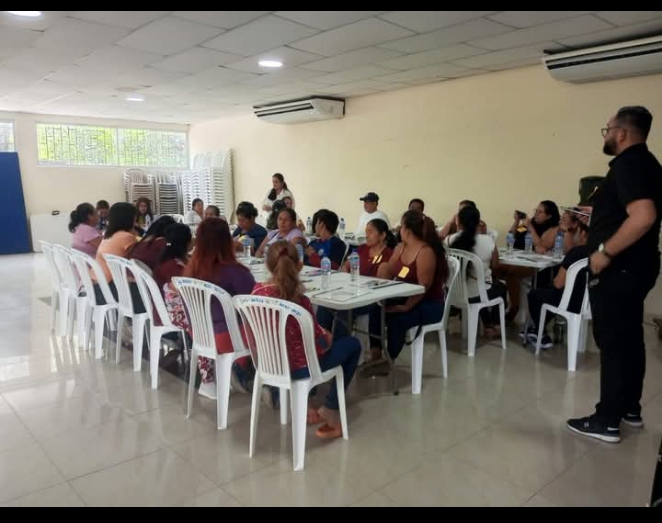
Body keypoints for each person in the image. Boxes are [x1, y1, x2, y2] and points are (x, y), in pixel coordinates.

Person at [567, 106, 662, 444]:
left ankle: (606, 419)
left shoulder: (627, 164)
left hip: (619, 267)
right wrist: (599, 212)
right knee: (630, 338)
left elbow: (643, 216)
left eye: (607, 129)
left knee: (613, 342)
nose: (606, 135)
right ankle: (629, 409)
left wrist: (604, 252)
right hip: (639, 265)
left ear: (621, 133)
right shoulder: (648, 164)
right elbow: (634, 211)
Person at [251, 241, 362, 439]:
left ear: (267, 265)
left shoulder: (255, 293)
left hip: (269, 364)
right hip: (299, 368)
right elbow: (320, 345)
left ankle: (308, 404)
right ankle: (331, 408)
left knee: (309, 347)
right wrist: (327, 337)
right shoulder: (300, 301)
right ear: (299, 266)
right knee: (353, 345)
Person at [182, 217, 257, 399]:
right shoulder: (234, 271)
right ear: (227, 241)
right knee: (273, 325)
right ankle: (257, 375)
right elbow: (254, 303)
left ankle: (240, 367)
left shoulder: (191, 270)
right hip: (227, 338)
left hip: (199, 334)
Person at [365, 212, 447, 374]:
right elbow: (390, 270)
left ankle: (389, 359)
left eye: (401, 226)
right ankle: (376, 353)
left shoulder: (425, 252)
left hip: (429, 303)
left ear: (408, 230)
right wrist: (382, 269)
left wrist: (406, 306)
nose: (399, 230)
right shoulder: (401, 248)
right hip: (406, 297)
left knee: (398, 320)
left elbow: (424, 287)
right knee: (376, 309)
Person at [317, 218, 396, 362]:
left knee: (344, 309)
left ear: (383, 235)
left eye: (370, 232)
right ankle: (320, 345)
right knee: (325, 304)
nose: (366, 235)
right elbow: (346, 266)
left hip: (371, 298)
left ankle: (339, 353)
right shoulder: (362, 249)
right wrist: (344, 275)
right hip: (352, 291)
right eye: (366, 231)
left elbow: (382, 284)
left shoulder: (389, 254)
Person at [524, 221, 590, 349]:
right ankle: (538, 329)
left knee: (534, 294)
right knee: (548, 293)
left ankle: (539, 331)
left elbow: (558, 283)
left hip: (570, 301)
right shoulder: (597, 253)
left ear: (582, 234)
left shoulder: (575, 253)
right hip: (588, 302)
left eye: (574, 232)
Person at [446, 205, 505, 339]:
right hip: (477, 294)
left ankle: (487, 325)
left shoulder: (449, 240)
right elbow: (496, 265)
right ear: (478, 222)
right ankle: (494, 326)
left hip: (453, 293)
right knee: (499, 287)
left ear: (458, 221)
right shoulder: (488, 240)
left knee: (482, 287)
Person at [498, 200, 561, 322]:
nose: (536, 214)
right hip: (519, 257)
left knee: (511, 274)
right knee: (496, 268)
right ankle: (499, 306)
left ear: (549, 216)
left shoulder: (552, 229)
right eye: (536, 210)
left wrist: (530, 227)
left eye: (540, 212)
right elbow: (511, 237)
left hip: (537, 265)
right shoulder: (531, 222)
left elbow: (540, 247)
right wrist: (516, 221)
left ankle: (514, 308)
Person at [93, 202, 145, 313]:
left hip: (97, 286)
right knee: (148, 286)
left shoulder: (108, 234)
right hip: (109, 290)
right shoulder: (126, 237)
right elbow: (139, 259)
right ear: (130, 218)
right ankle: (141, 317)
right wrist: (135, 233)